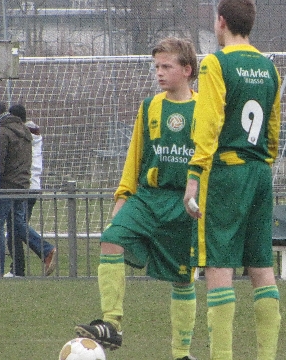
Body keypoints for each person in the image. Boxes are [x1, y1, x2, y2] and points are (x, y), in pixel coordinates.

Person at [75, 37, 200, 360]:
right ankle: (112, 324)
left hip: (182, 205)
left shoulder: (205, 109)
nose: (159, 72)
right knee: (111, 239)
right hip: (147, 197)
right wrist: (123, 196)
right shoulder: (150, 107)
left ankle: (181, 353)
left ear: (187, 70)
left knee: (184, 279)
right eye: (156, 66)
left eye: (166, 66)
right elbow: (136, 156)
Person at [183, 0, 282, 358]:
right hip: (259, 172)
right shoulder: (269, 68)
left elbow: (208, 122)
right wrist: (262, 163)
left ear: (220, 21)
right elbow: (273, 127)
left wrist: (194, 174)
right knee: (261, 265)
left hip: (226, 171)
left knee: (219, 266)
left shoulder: (216, 63)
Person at [4, 103, 57, 277]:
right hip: (33, 186)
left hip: (23, 186)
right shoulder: (33, 134)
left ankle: (45, 250)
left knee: (17, 226)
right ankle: (17, 270)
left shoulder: (20, 136)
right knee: (14, 228)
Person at [0, 101, 32, 277]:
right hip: (22, 184)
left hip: (6, 186)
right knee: (17, 224)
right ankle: (47, 249)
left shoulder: (3, 133)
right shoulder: (25, 131)